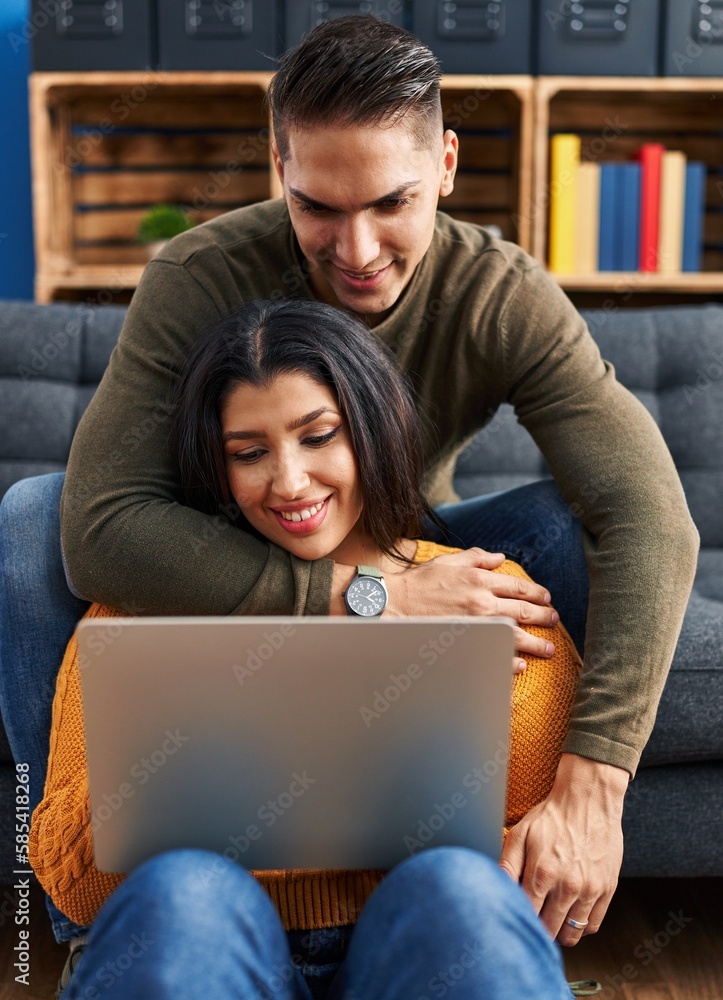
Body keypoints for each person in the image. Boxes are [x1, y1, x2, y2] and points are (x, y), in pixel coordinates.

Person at [0, 9, 697, 965]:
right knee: (34, 513)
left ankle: (534, 884)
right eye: (318, 207)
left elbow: (650, 513)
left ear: (446, 164)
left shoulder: (499, 292)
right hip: (233, 544)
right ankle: (86, 920)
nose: (357, 249)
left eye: (391, 204)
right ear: (279, 168)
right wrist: (366, 600)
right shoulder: (201, 275)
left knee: (553, 521)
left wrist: (595, 781)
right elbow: (101, 529)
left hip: (410, 533)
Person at [30, 298, 585, 1000]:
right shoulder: (138, 608)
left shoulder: (486, 594)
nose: (289, 482)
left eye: (318, 435)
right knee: (182, 891)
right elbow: (74, 888)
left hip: (412, 950)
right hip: (217, 949)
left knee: (458, 890)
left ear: (375, 431)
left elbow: (528, 865)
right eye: (249, 453)